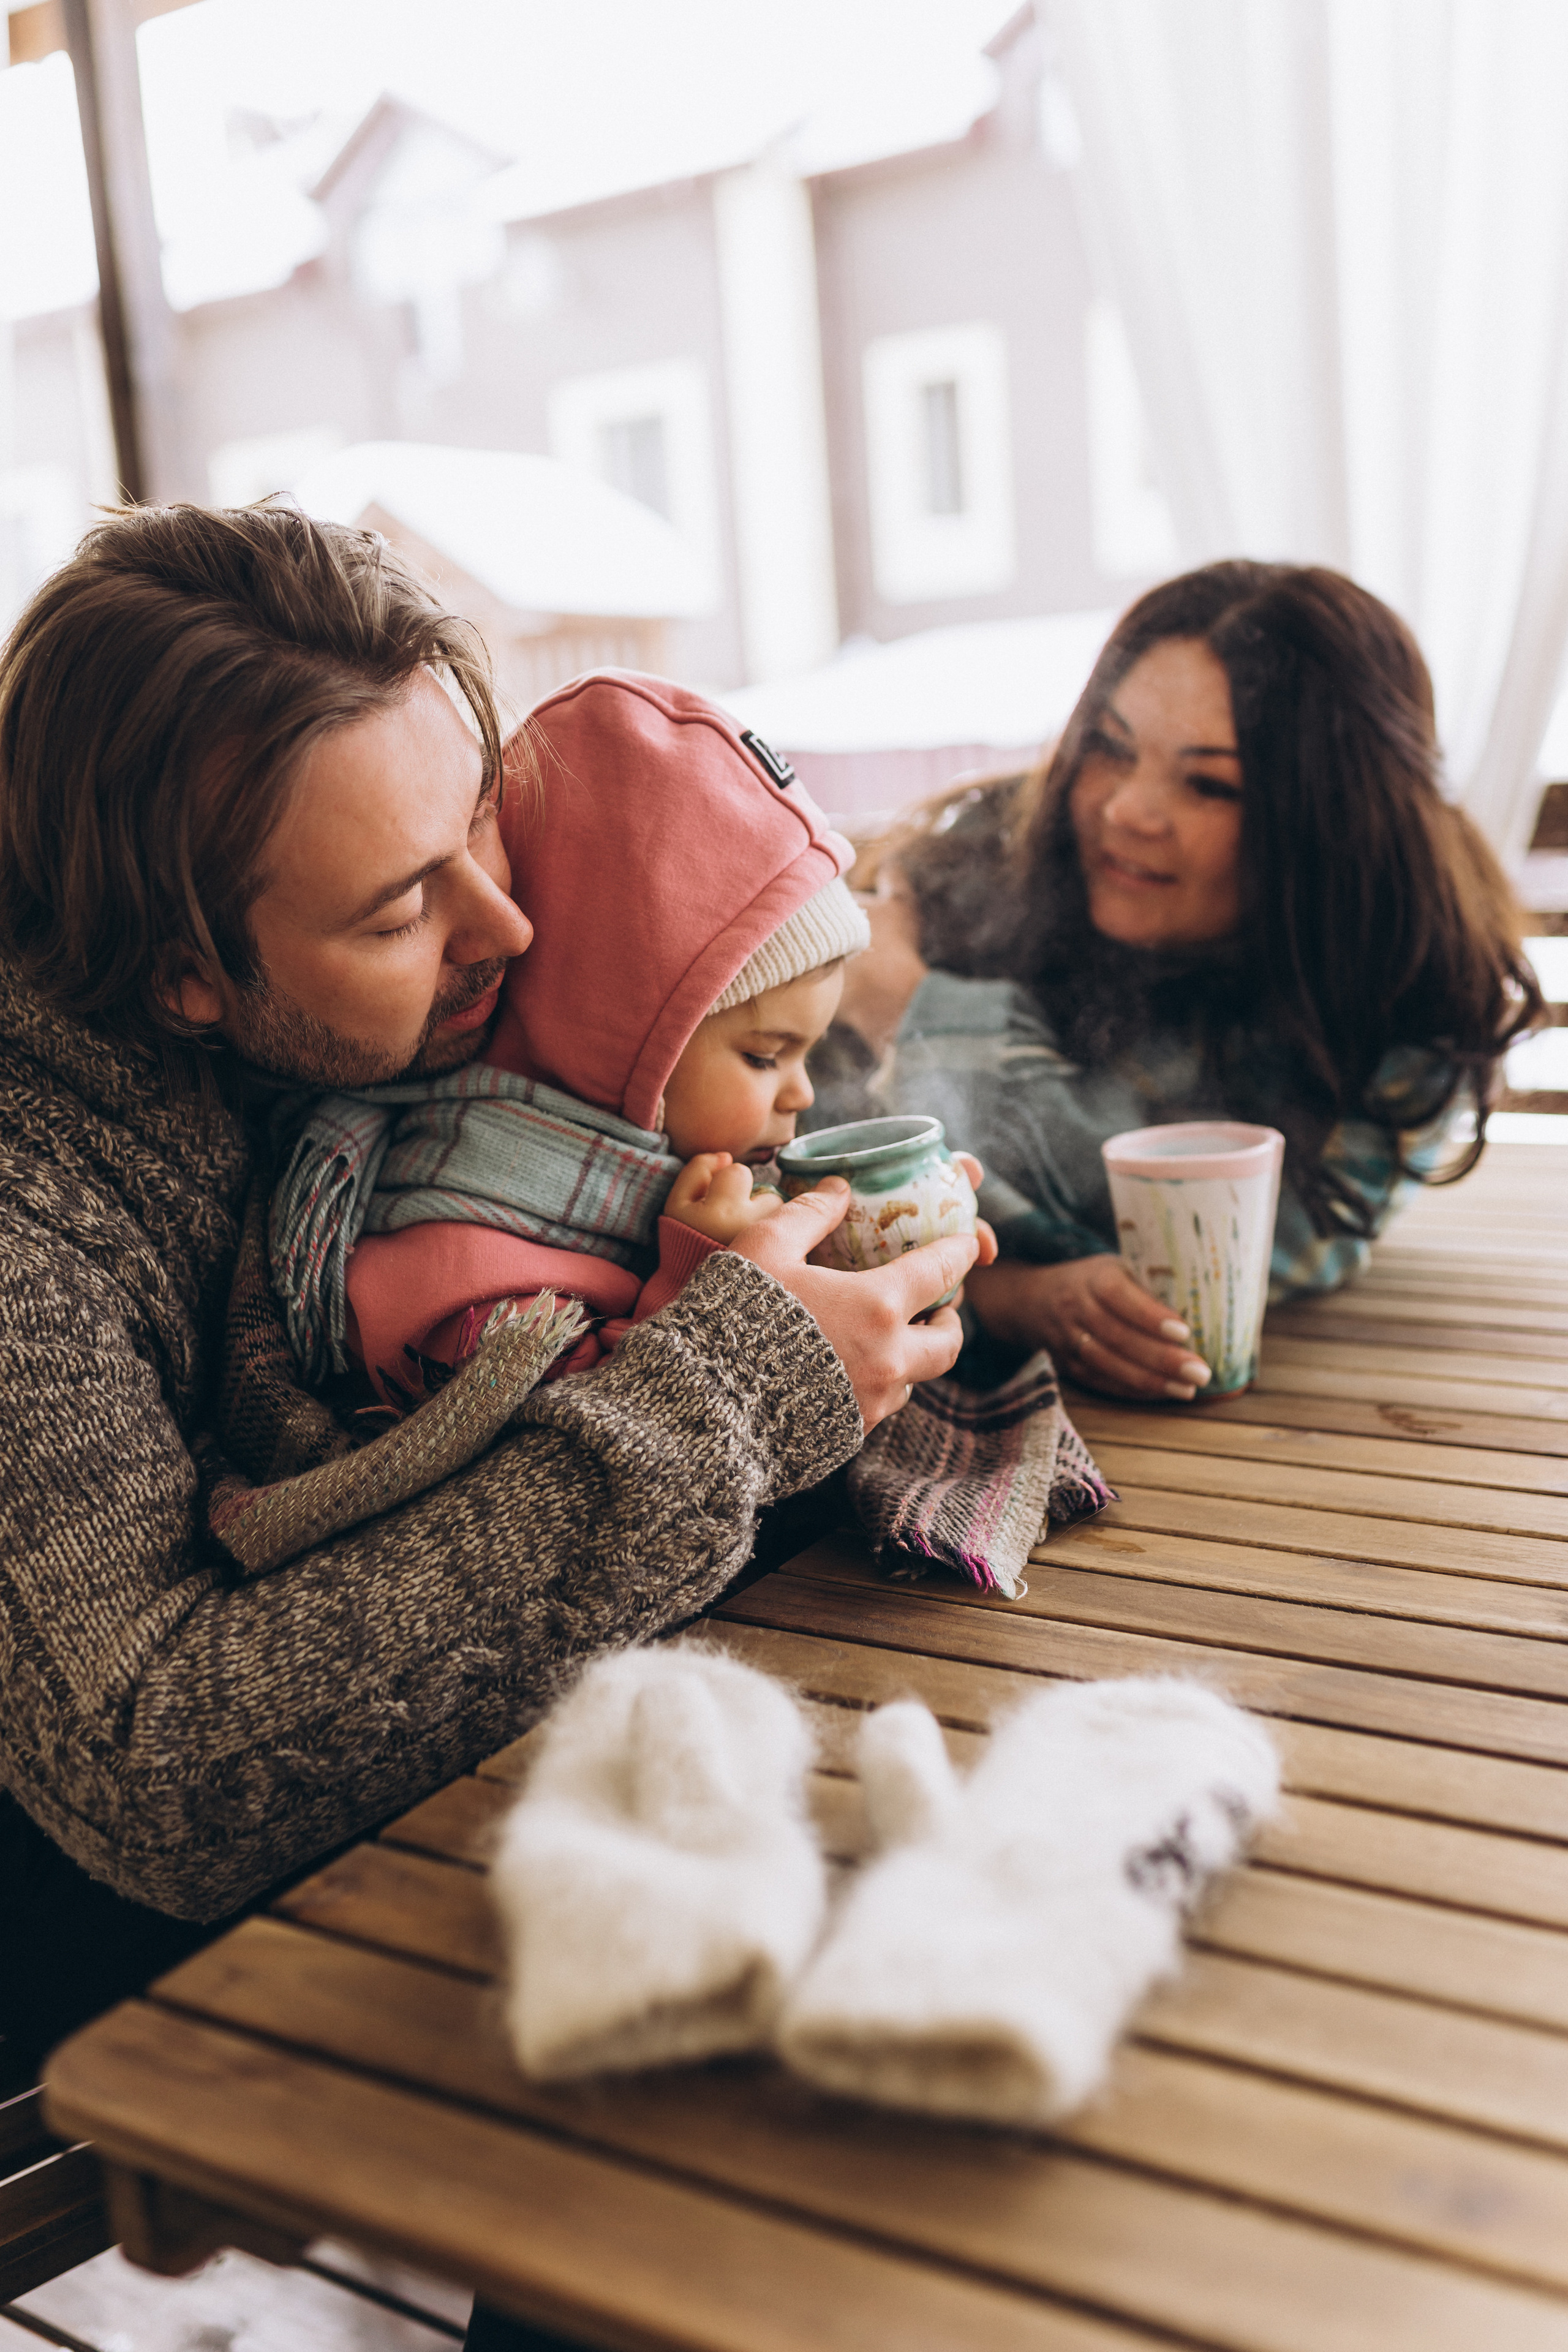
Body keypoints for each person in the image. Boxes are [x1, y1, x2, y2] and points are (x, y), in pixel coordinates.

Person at [0, 504, 979, 2092]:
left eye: (483, 826)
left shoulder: (373, 1031)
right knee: (717, 1991)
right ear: (186, 977)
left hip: (419, 1767)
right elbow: (162, 1773)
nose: (508, 929)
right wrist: (728, 1392)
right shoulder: (30, 1211)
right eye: (401, 909)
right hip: (106, 1924)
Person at [831, 561, 1543, 1403]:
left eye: (1208, 783)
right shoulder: (984, 863)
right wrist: (1005, 1295)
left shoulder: (1411, 980)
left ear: (1329, 821)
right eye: (1111, 747)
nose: (1126, 810)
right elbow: (821, 1209)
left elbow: (1226, 1259)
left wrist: (916, 1006)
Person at [271, 669, 993, 1420]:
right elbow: (564, 1464)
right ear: (626, 1047)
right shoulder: (458, 1262)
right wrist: (701, 1281)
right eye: (763, 1056)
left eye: (805, 1054)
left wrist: (879, 1260)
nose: (802, 1095)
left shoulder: (655, 1173)